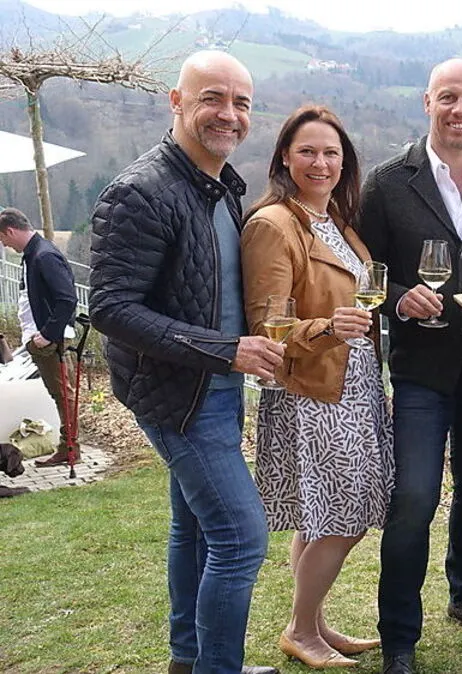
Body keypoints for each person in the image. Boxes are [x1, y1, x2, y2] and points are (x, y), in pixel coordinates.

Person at [89, 50, 283, 674]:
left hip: (220, 390)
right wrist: (227, 350)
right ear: (176, 102)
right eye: (212, 99)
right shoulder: (140, 192)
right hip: (180, 398)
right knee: (242, 538)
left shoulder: (222, 186)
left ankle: (189, 658)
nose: (229, 114)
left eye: (242, 103)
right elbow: (112, 309)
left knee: (197, 529)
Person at [357, 58, 462, 674]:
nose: (460, 110)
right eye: (449, 98)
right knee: (414, 496)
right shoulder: (385, 183)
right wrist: (400, 294)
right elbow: (366, 274)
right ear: (427, 101)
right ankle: (400, 634)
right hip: (420, 369)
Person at [241, 105, 393, 668]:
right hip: (311, 390)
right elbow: (265, 324)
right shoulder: (271, 224)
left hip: (353, 384)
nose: (321, 162)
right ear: (285, 156)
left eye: (331, 152)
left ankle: (315, 622)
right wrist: (330, 327)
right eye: (308, 151)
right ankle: (301, 630)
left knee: (326, 515)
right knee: (345, 515)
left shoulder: (334, 220)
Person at [0, 207, 77, 468]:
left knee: (62, 394)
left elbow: (67, 299)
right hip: (41, 337)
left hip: (50, 339)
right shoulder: (33, 254)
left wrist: (47, 335)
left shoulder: (44, 256)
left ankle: (70, 448)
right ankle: (68, 447)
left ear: (10, 230)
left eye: (3, 238)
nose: (3, 244)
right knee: (60, 393)